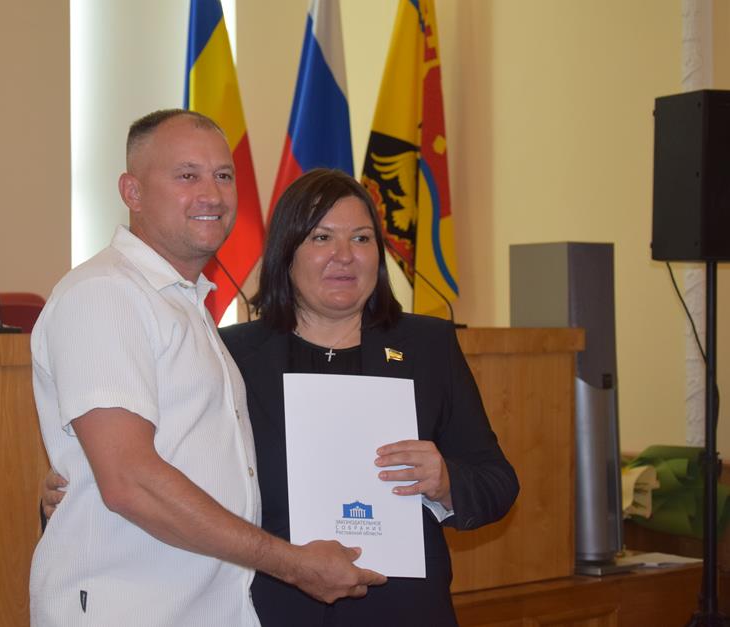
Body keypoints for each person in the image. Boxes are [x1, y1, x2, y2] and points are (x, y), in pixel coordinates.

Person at [42, 167, 519, 625]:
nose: (344, 255)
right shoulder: (231, 354)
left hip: (402, 609)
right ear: (286, 254)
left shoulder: (429, 346)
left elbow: (497, 482)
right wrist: (76, 488)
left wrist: (446, 480)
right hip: (272, 609)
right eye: (321, 238)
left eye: (361, 238)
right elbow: (154, 468)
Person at [30, 113, 385, 627]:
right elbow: (130, 480)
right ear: (132, 191)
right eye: (187, 175)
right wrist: (291, 563)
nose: (212, 195)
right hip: (129, 608)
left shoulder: (186, 305)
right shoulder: (106, 294)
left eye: (223, 175)